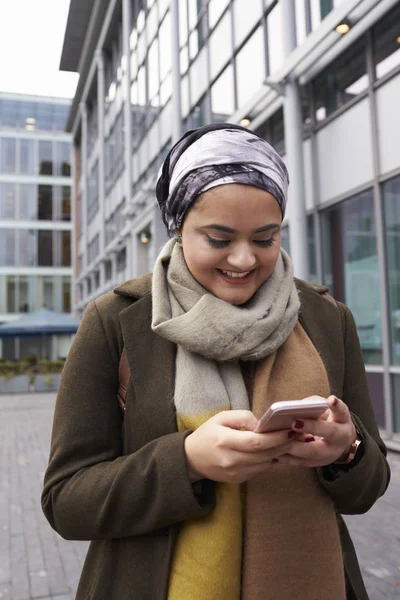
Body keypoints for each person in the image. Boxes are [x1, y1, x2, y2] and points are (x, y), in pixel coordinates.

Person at [42, 123, 390, 600]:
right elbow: (66, 501)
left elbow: (369, 488)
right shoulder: (117, 320)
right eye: (219, 239)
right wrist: (186, 460)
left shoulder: (327, 318)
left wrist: (346, 450)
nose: (245, 260)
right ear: (179, 228)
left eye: (266, 239)